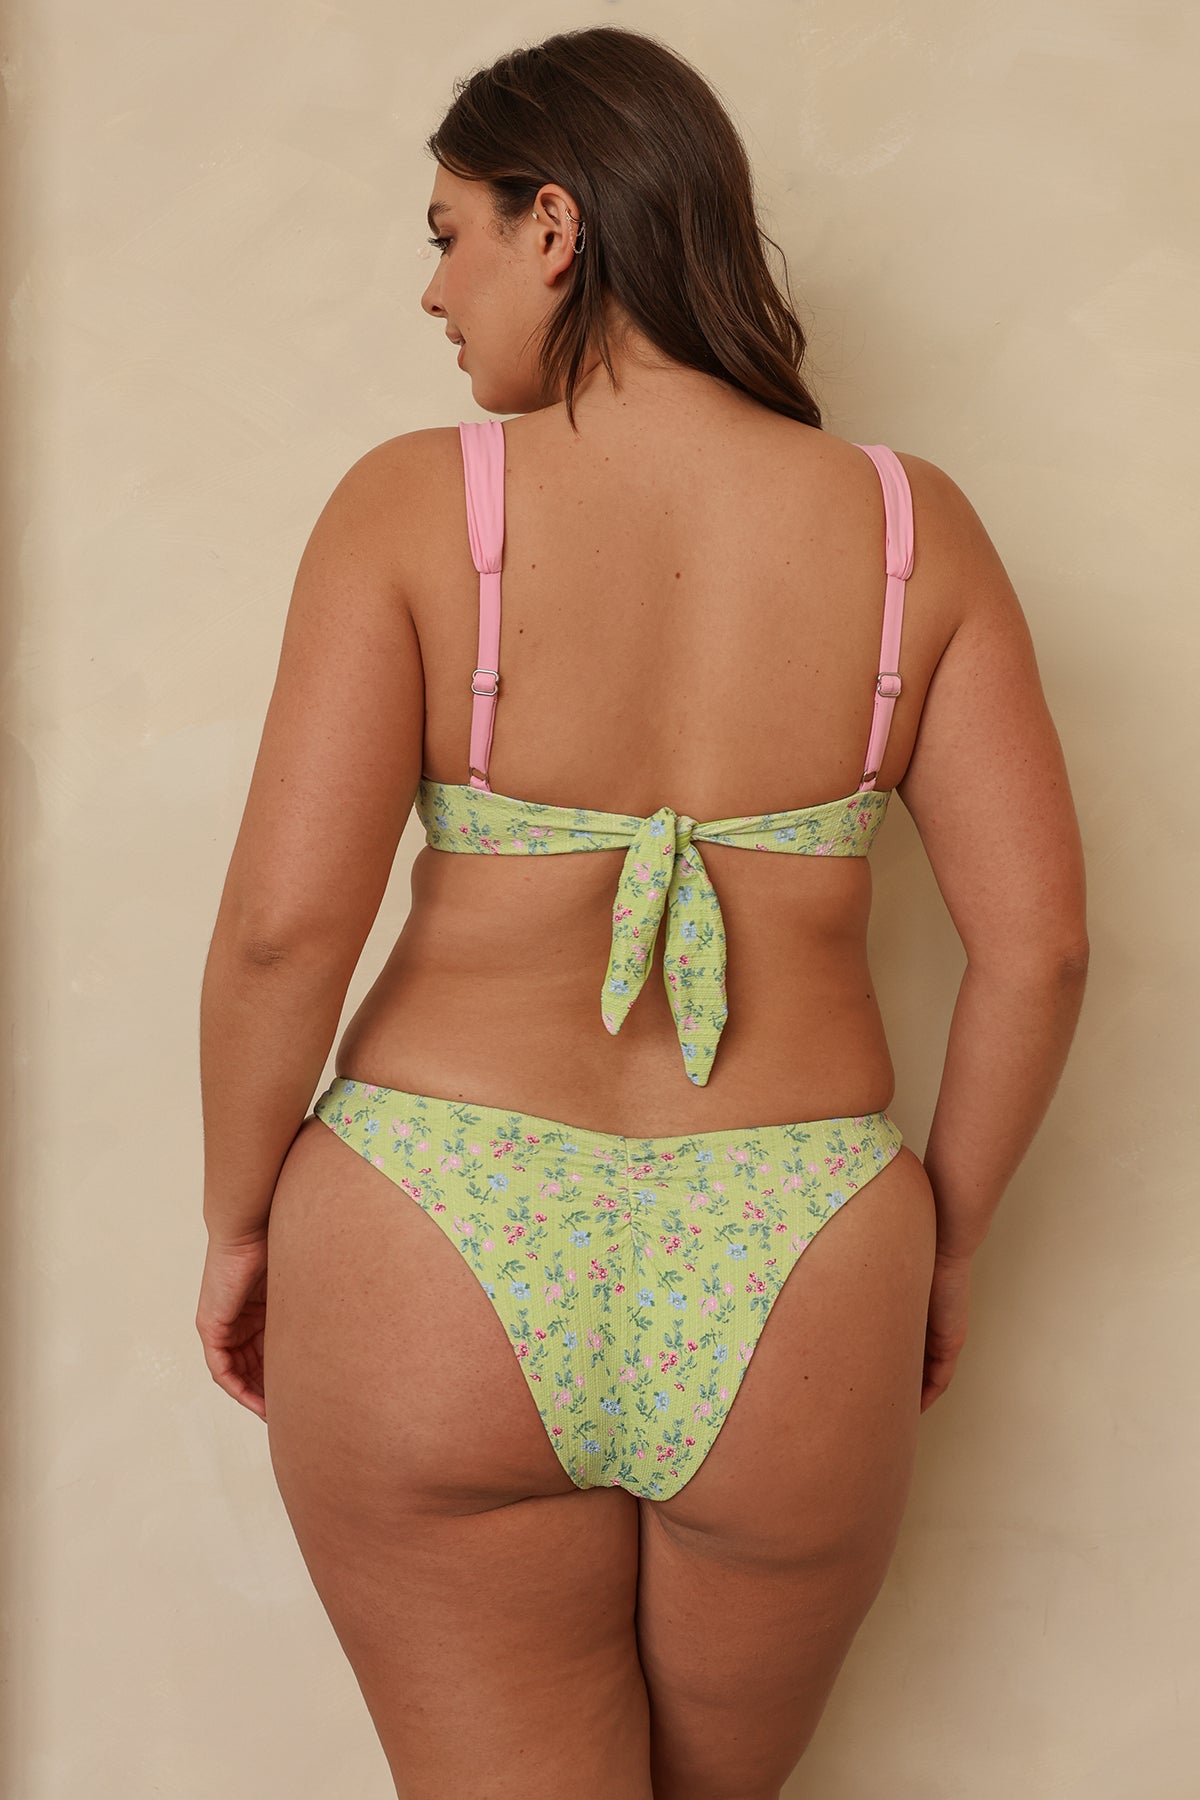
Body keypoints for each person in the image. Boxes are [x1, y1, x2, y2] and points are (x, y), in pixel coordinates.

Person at [196, 24, 1089, 1800]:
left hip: (438, 1219)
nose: (433, 292)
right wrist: (951, 1242)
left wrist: (236, 1222)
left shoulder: (418, 506)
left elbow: (287, 933)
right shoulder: (911, 530)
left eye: (448, 234)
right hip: (800, 1236)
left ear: (554, 225)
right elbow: (1042, 951)